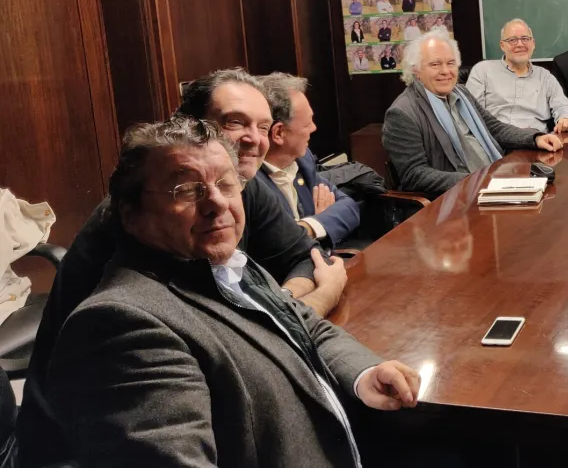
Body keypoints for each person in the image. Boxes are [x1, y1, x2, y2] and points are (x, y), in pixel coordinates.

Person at [37, 118, 421, 466]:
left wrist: (364, 373)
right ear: (131, 214)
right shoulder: (121, 326)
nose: (217, 203)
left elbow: (305, 325)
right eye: (186, 190)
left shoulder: (225, 263)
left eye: (225, 184)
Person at [17, 68, 345, 466]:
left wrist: (279, 304)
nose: (254, 140)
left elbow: (300, 256)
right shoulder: (129, 264)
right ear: (189, 127)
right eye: (234, 122)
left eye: (264, 126)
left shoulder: (237, 182)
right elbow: (141, 394)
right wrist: (311, 298)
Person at [383, 29, 563, 199]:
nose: (445, 71)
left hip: (493, 181)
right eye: (435, 64)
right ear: (416, 70)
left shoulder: (462, 93)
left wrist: (535, 138)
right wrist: (475, 181)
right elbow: (414, 175)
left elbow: (494, 128)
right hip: (457, 199)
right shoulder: (402, 113)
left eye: (451, 63)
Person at [256, 73, 360, 249]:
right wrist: (320, 223)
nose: (314, 128)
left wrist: (309, 226)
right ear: (278, 133)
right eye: (307, 124)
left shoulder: (303, 160)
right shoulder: (251, 183)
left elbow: (349, 207)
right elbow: (279, 246)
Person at [467, 19, 568, 133]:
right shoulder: (483, 71)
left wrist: (566, 118)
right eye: (512, 40)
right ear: (502, 45)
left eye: (525, 39)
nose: (520, 44)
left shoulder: (545, 77)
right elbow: (471, 113)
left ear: (533, 43)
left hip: (536, 143)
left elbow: (565, 106)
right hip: (496, 141)